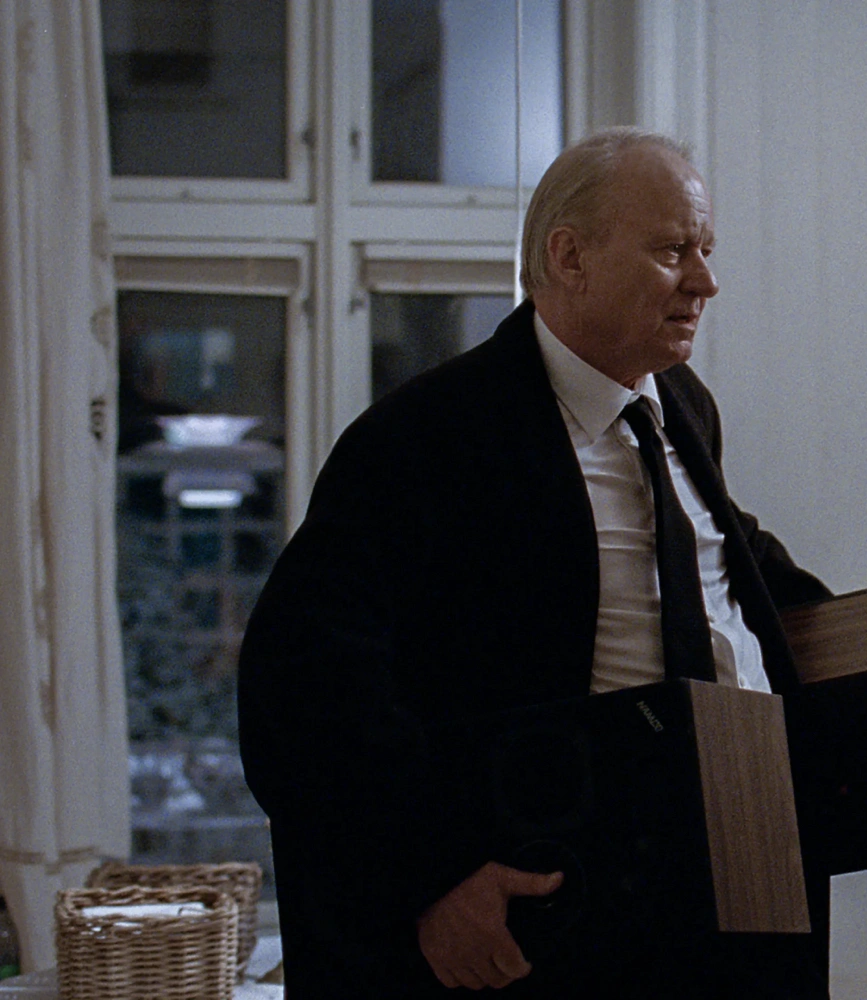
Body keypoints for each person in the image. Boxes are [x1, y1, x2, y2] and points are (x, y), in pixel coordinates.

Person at [238, 128, 831, 998]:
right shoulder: (425, 437)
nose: (705, 281)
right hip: (558, 893)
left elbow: (721, 554)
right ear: (569, 257)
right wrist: (431, 875)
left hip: (737, 861)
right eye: (673, 251)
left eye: (705, 250)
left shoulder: (682, 406)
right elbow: (304, 683)